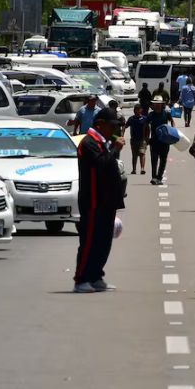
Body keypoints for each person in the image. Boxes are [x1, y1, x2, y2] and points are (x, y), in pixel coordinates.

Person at [73, 108, 126, 293]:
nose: (114, 131)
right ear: (99, 124)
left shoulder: (102, 141)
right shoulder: (88, 142)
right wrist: (114, 148)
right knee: (89, 241)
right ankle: (81, 279)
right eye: (111, 126)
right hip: (93, 202)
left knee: (104, 242)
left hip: (106, 202)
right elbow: (101, 164)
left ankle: (96, 276)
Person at [144, 96, 175, 185]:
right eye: (155, 104)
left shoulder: (166, 113)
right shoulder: (151, 115)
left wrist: (173, 131)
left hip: (165, 141)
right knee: (154, 160)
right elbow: (145, 125)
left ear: (162, 105)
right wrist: (145, 137)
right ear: (153, 105)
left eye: (159, 104)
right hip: (154, 141)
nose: (157, 106)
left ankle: (159, 177)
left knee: (163, 160)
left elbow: (172, 121)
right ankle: (154, 177)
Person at [124, 105, 148, 175]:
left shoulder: (144, 119)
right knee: (134, 155)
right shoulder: (131, 119)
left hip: (142, 139)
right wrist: (122, 134)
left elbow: (148, 128)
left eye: (138, 109)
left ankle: (142, 168)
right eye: (135, 110)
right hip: (134, 139)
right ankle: (134, 169)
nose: (136, 111)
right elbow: (125, 126)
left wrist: (147, 138)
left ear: (141, 110)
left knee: (142, 153)